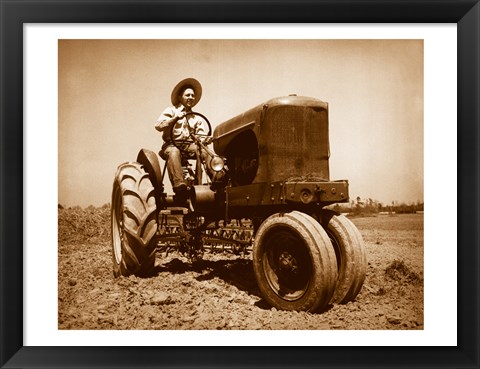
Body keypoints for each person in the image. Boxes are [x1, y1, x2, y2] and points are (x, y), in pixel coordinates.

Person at [155, 78, 220, 196]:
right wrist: (175, 118)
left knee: (205, 151)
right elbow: (158, 125)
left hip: (189, 146)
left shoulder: (196, 118)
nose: (190, 97)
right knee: (174, 152)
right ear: (180, 97)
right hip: (171, 145)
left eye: (192, 95)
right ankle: (179, 185)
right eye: (187, 95)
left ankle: (217, 178)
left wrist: (205, 140)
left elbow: (200, 136)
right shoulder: (171, 110)